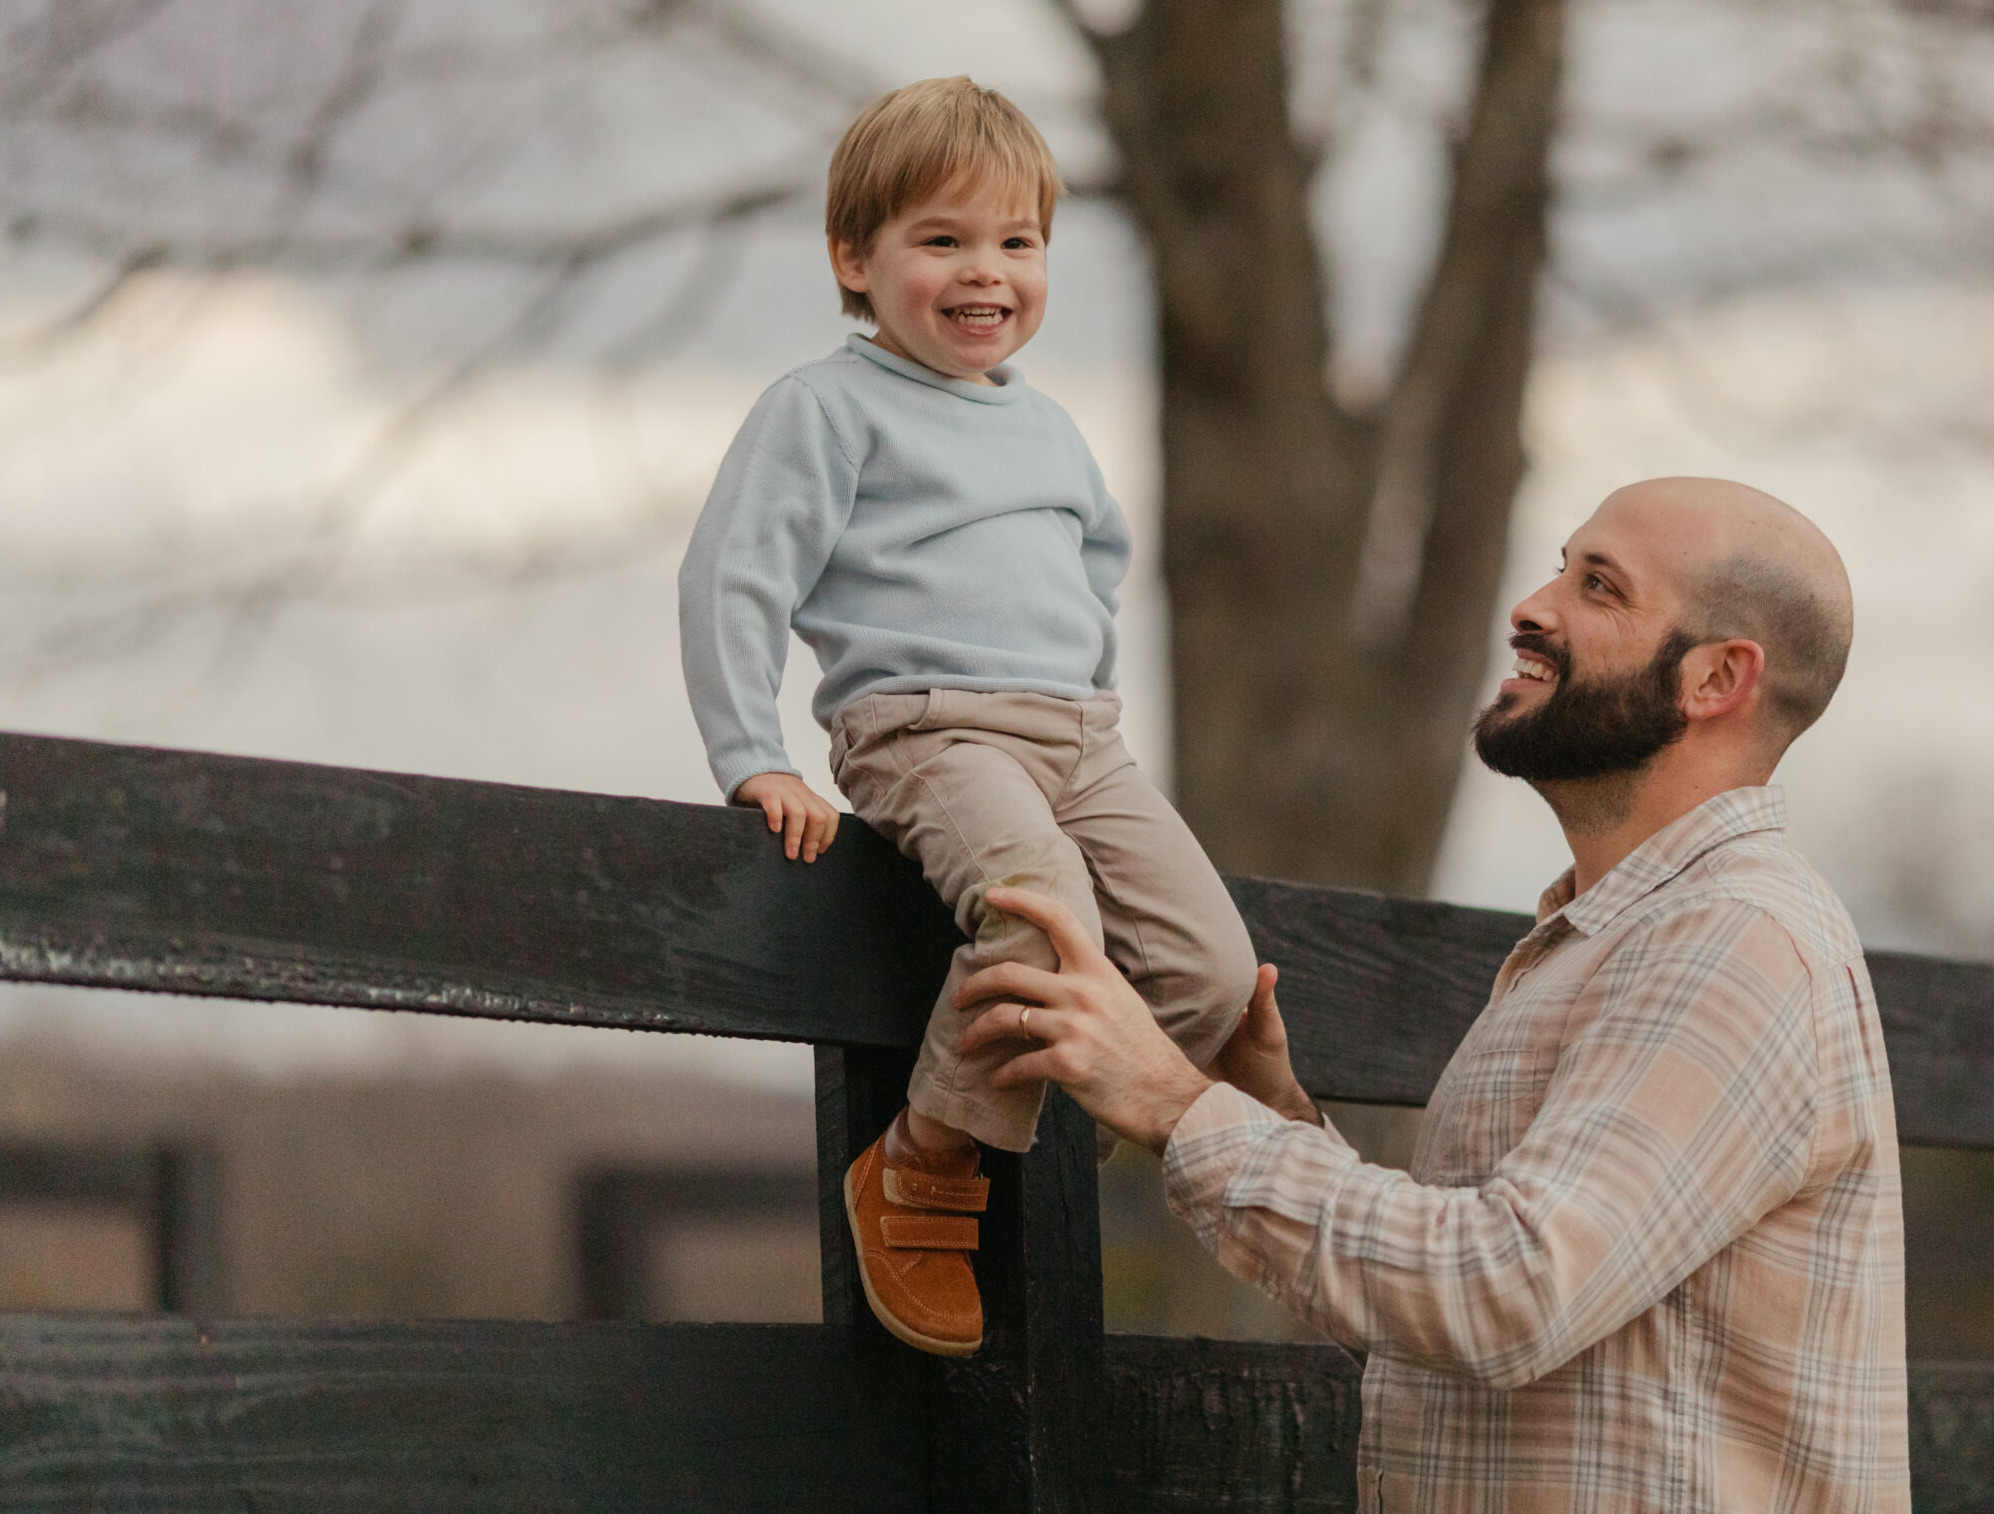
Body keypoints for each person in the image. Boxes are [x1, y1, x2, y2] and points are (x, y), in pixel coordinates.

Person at [957, 478, 1910, 1512]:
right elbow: (1447, 1309)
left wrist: (1171, 1104)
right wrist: (1278, 1121)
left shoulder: (1733, 940)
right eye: (1559, 566)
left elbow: (1504, 1295)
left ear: (1717, 677)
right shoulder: (1616, 936)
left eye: (1598, 587)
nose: (1533, 606)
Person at [677, 77, 1256, 1360]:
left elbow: (1090, 573)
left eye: (1016, 243)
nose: (984, 272)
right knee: (1043, 917)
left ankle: (1100, 1089)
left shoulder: (1047, 428)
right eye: (941, 242)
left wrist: (1084, 712)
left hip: (1078, 735)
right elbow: (735, 575)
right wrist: (752, 755)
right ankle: (925, 1158)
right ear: (854, 259)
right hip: (929, 727)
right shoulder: (825, 409)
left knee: (1210, 969)